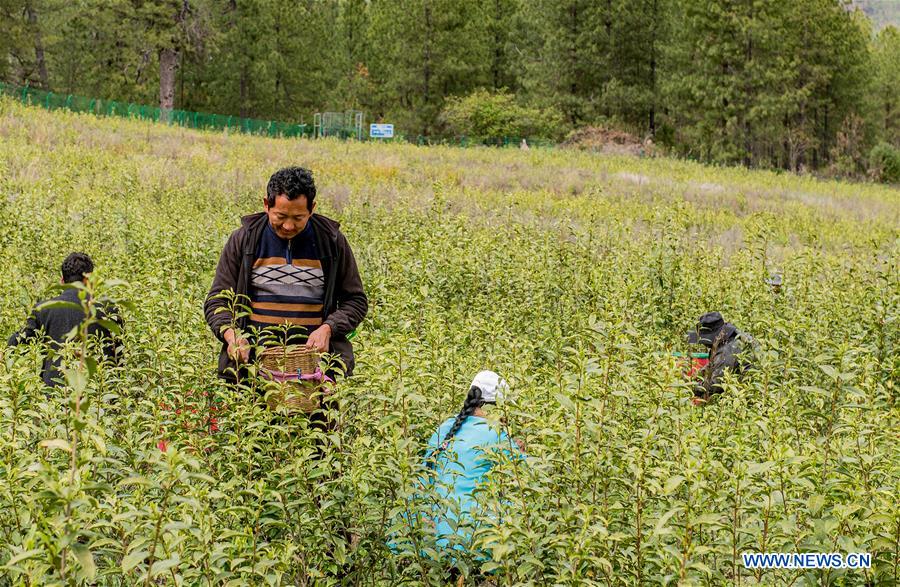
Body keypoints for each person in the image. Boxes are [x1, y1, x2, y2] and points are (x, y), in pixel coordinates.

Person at [204, 166, 368, 382]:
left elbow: (355, 301)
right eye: (280, 216)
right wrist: (231, 335)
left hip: (313, 369)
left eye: (298, 218)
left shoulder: (331, 242)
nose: (289, 226)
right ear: (266, 205)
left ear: (312, 209)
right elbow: (217, 302)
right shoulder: (245, 240)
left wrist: (328, 328)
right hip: (253, 371)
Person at [420, 370, 526, 554]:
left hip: (430, 539)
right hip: (472, 542)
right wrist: (520, 451)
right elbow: (526, 478)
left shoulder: (444, 428)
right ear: (493, 407)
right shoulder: (496, 435)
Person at [7, 252, 123, 387]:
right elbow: (118, 357)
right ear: (90, 279)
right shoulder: (109, 310)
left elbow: (17, 342)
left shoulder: (44, 309)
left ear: (62, 281)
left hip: (54, 395)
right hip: (97, 393)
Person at [687, 311, 756, 401]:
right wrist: (700, 373)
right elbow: (714, 364)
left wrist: (691, 387)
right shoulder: (728, 339)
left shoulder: (728, 348)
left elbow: (715, 385)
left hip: (750, 394)